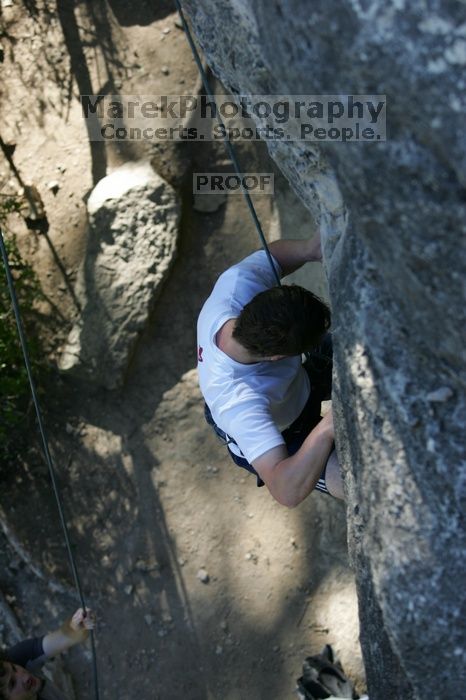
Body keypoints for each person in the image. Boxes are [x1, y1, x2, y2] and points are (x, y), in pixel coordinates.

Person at [197, 233, 344, 506]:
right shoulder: (239, 404)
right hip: (285, 433)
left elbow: (275, 257)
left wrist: (308, 249)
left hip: (297, 386)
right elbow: (285, 490)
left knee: (355, 341)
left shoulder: (237, 287)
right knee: (350, 479)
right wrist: (329, 426)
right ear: (276, 357)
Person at [0, 608, 95, 700]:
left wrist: (76, 625)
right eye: (12, 684)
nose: (24, 677)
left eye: (14, 668)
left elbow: (66, 637)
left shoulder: (17, 658)